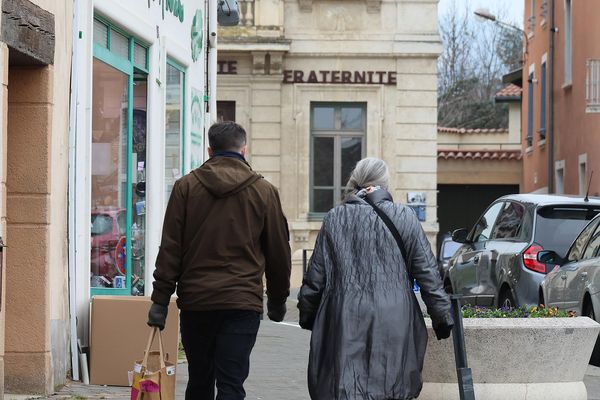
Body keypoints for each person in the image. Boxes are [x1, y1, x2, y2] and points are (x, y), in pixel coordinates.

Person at [147, 121, 292, 400]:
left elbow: (170, 248)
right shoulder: (264, 192)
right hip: (242, 302)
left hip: (197, 302)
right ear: (244, 149)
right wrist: (277, 300)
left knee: (200, 380)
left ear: (210, 150)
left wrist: (160, 301)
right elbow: (278, 252)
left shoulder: (186, 187)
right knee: (231, 384)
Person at [298, 157, 454, 400]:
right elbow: (428, 275)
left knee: (346, 388)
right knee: (391, 387)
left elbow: (315, 278)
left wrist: (307, 315)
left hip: (344, 318)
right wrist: (442, 317)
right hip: (394, 319)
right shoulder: (405, 217)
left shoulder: (334, 218)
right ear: (384, 184)